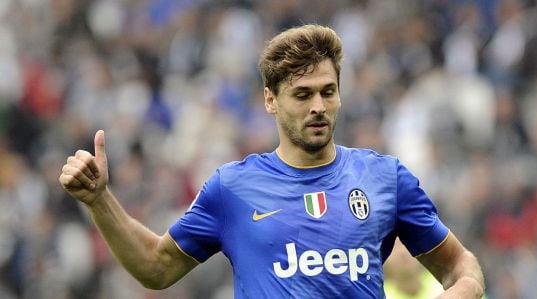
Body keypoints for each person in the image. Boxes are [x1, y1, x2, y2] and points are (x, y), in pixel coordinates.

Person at [59, 24, 485, 298]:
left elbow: (463, 268)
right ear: (270, 100)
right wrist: (100, 200)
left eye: (328, 91)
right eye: (303, 95)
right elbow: (156, 268)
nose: (319, 106)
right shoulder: (232, 189)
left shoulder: (385, 178)